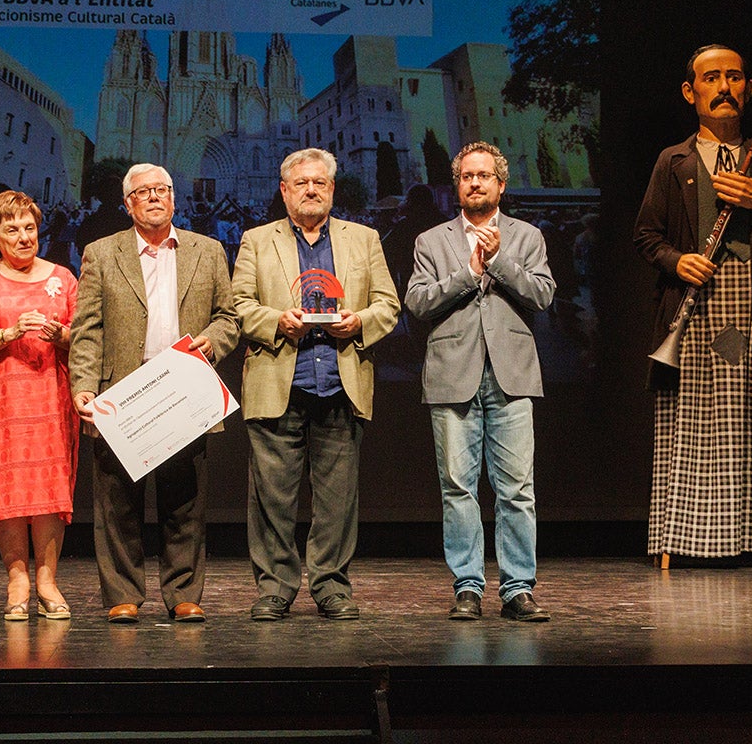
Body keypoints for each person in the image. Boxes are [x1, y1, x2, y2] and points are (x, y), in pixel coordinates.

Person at [633, 45, 752, 563]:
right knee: (692, 423)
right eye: (712, 78)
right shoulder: (675, 160)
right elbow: (645, 235)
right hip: (693, 311)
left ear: (748, 89)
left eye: (734, 77)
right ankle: (681, 541)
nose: (724, 87)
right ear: (692, 93)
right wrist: (676, 260)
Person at [232, 148, 400, 622]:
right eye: (301, 182)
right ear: (284, 190)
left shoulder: (363, 239)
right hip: (278, 380)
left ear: (331, 189)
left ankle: (331, 587)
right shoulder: (256, 240)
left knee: (337, 499)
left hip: (340, 381)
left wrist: (359, 321)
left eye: (320, 183)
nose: (311, 189)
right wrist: (277, 321)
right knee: (271, 498)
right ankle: (275, 589)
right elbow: (239, 304)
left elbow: (388, 304)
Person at [69, 163, 238, 624]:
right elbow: (87, 330)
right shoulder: (102, 254)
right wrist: (83, 387)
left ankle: (183, 593)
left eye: (163, 189)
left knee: (184, 502)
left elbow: (229, 317)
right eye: (143, 192)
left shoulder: (208, 250)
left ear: (174, 199)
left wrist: (214, 341)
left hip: (184, 393)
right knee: (117, 505)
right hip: (121, 395)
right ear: (128, 204)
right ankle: (123, 595)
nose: (154, 197)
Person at [405, 141, 555, 622]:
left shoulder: (528, 236)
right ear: (457, 187)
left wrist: (501, 262)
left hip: (511, 375)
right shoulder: (431, 241)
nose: (475, 183)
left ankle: (517, 589)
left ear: (500, 184)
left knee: (516, 490)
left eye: (483, 176)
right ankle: (467, 587)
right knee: (458, 488)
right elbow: (419, 303)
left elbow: (543, 296)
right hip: (453, 374)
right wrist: (470, 271)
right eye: (466, 176)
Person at [0, 190, 79, 621]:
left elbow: (85, 336)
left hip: (49, 394)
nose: (24, 236)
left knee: (49, 492)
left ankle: (47, 580)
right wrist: (10, 333)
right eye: (12, 229)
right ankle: (17, 580)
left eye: (29, 227)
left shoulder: (64, 278)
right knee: (7, 491)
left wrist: (59, 334)